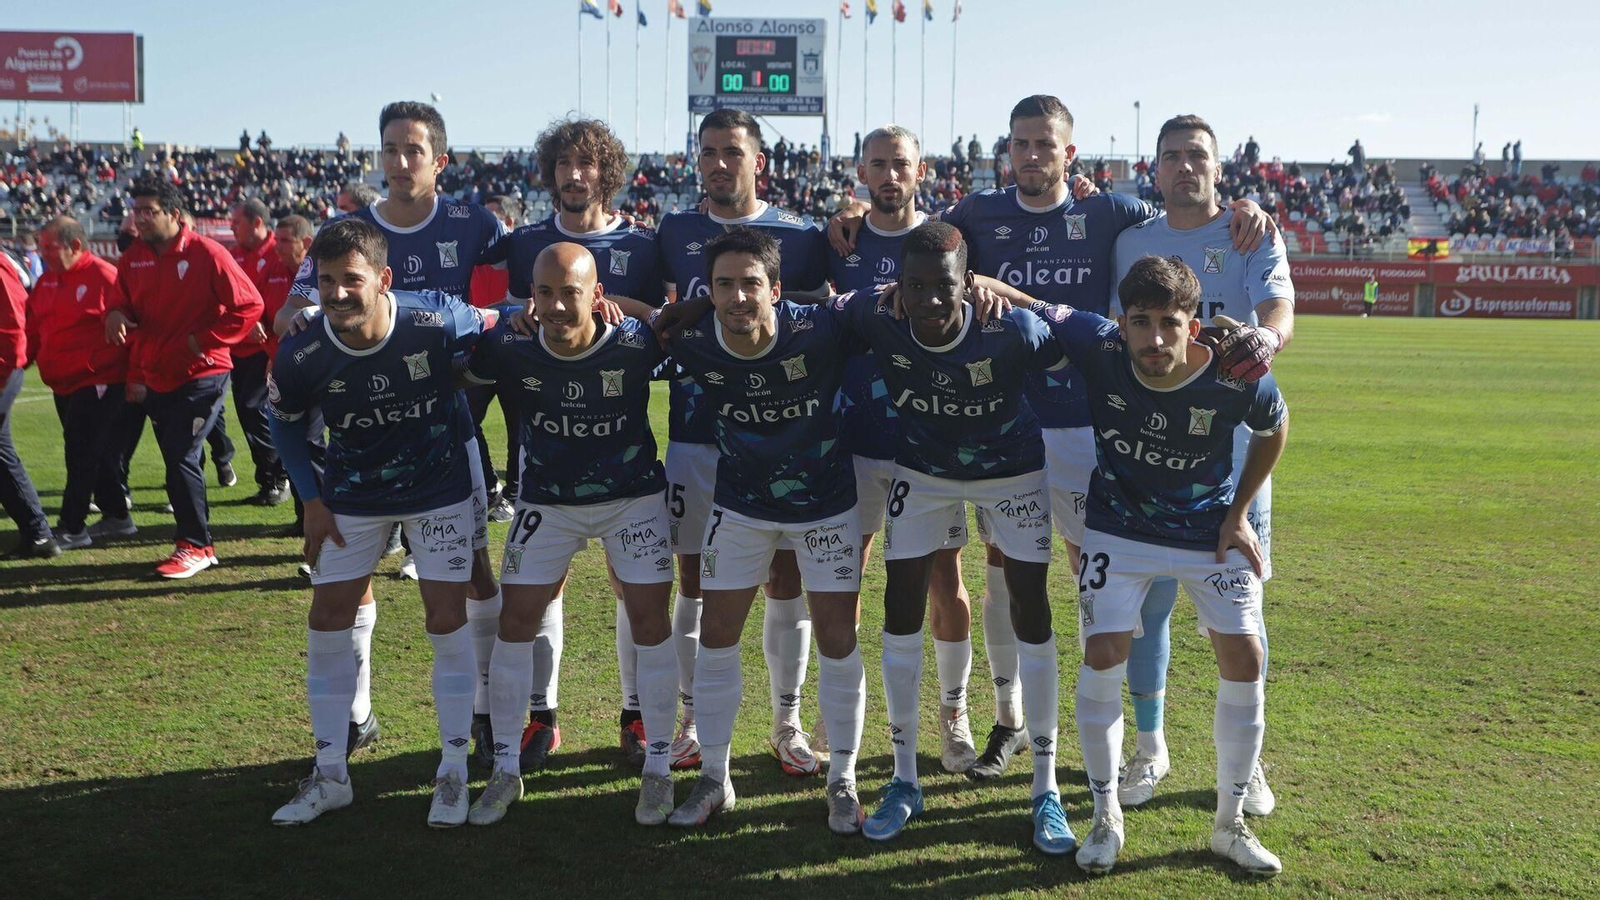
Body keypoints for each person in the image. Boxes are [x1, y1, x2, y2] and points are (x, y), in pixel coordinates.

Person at [829, 97, 1271, 783]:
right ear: (1007, 150)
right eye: (1021, 144)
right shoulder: (976, 214)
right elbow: (916, 237)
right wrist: (857, 215)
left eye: (1045, 144)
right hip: (1002, 424)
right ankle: (1011, 722)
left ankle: (1127, 742)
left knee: (1098, 583)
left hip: (1094, 425)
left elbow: (1190, 210)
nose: (1031, 155)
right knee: (1006, 573)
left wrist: (1242, 206)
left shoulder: (1113, 214)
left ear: (1071, 153)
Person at [1028, 256, 1288, 876]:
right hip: (1120, 529)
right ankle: (1105, 816)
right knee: (1103, 651)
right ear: (1121, 323)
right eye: (1140, 322)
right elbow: (1031, 303)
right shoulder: (1100, 346)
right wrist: (980, 283)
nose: (1154, 338)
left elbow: (1275, 428)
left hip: (1209, 531)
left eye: (1170, 322)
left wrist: (1239, 513)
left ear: (1193, 326)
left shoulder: (1236, 375)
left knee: (1245, 653)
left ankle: (1229, 824)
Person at [828, 222, 1077, 854]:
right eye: (916, 286)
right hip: (925, 473)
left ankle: (1045, 786)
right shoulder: (877, 315)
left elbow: (1077, 342)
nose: (931, 300)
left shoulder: (1012, 329)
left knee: (1031, 610)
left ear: (968, 282)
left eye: (945, 286)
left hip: (1012, 472)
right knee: (901, 608)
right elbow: (812, 310)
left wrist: (1016, 296)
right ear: (898, 287)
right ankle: (905, 778)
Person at [289, 101, 507, 767]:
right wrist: (300, 318)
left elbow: (496, 311)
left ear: (439, 160)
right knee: (349, 580)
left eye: (413, 150)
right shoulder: (344, 229)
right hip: (362, 440)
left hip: (447, 431)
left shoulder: (477, 223)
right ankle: (353, 716)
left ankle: (484, 711)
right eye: (390, 149)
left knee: (470, 573)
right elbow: (296, 309)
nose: (400, 162)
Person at [267, 218, 495, 828]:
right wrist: (311, 499)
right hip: (351, 500)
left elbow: (500, 317)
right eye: (326, 281)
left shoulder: (435, 321)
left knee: (447, 619)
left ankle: (452, 770)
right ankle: (331, 773)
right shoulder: (304, 349)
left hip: (439, 491)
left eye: (352, 280)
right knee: (327, 617)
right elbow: (284, 422)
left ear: (384, 279)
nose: (337, 293)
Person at [1106, 114, 1294, 816]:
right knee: (1145, 613)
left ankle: (1246, 767)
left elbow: (1279, 307)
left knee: (1239, 620)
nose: (1186, 166)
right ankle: (1149, 748)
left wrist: (1263, 341)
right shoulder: (1130, 241)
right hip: (1151, 459)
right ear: (1153, 169)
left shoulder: (1252, 231)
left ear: (1220, 168)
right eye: (1172, 156)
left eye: (1198, 156)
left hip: (1237, 463)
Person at [654, 228, 867, 835]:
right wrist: (681, 308)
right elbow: (645, 330)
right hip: (741, 507)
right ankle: (714, 779)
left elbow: (891, 300)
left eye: (751, 284)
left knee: (837, 638)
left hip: (826, 506)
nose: (739, 298)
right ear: (709, 291)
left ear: (775, 288)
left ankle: (843, 778)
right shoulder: (694, 339)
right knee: (717, 635)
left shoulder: (820, 326)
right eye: (724, 285)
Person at [462, 243, 677, 826]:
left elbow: (672, 318)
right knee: (514, 625)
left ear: (597, 296)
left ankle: (659, 769)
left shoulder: (636, 344)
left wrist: (637, 312)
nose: (555, 307)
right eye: (544, 293)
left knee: (653, 626)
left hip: (632, 501)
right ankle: (505, 767)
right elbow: (454, 371)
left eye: (570, 293)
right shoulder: (508, 345)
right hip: (548, 504)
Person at [478, 118, 668, 770]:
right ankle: (541, 715)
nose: (574, 175)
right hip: (544, 444)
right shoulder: (526, 240)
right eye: (563, 164)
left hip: (623, 447)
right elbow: (508, 323)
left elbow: (663, 323)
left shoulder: (643, 246)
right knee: (541, 588)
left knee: (630, 586)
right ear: (550, 171)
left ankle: (638, 714)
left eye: (587, 164)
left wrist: (607, 302)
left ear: (606, 173)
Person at [654, 108, 832, 779]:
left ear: (760, 160)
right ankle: (695, 718)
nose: (719, 163)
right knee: (695, 579)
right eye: (708, 152)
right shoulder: (673, 229)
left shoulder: (804, 234)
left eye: (733, 151)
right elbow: (651, 314)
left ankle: (786, 724)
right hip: (697, 433)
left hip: (782, 436)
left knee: (786, 578)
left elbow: (823, 309)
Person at [829, 124, 977, 773]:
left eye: (901, 164)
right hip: (854, 441)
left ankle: (954, 713)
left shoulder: (946, 240)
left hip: (929, 445)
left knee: (945, 579)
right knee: (847, 577)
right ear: (861, 171)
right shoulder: (835, 240)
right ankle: (848, 716)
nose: (890, 175)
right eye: (879, 164)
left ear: (921, 172)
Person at [104, 178, 263, 578]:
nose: (138, 219)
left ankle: (196, 544)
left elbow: (249, 306)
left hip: (204, 372)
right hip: (159, 374)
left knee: (181, 453)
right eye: (135, 210)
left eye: (148, 211)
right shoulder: (132, 259)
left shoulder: (207, 253)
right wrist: (115, 316)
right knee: (178, 456)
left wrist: (200, 342)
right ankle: (196, 541)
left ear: (174, 215)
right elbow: (119, 302)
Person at [24, 217, 135, 549]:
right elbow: (33, 330)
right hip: (63, 382)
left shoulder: (105, 276)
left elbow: (133, 329)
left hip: (99, 379)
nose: (42, 253)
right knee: (92, 451)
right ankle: (117, 516)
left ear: (74, 245)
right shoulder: (46, 281)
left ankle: (72, 526)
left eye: (49, 247)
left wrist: (138, 376)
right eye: (41, 247)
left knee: (80, 451)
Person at [227, 199, 289, 507]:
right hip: (237, 348)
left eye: (236, 222)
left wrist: (267, 339)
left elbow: (284, 302)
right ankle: (269, 479)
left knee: (259, 412)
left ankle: (279, 477)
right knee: (247, 414)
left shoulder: (280, 253)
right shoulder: (235, 255)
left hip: (266, 350)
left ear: (256, 223)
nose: (231, 227)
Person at [264, 215, 322, 538]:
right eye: (276, 241)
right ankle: (306, 517)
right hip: (289, 370)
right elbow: (275, 319)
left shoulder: (325, 268)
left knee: (314, 442)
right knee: (297, 440)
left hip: (322, 370)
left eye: (285, 241)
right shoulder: (272, 271)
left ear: (306, 243)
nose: (278, 248)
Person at [0, 247, 57, 559]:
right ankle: (38, 535)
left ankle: (38, 533)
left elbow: (12, 325)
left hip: (3, 370)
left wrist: (3, 372)